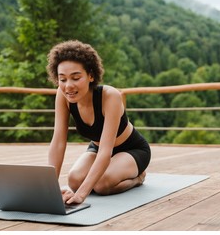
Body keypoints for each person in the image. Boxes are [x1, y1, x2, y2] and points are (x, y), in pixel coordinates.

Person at [46, 40, 151, 205]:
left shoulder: (110, 96)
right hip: (97, 148)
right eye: (63, 79)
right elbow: (58, 142)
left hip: (132, 150)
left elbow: (106, 152)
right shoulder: (63, 96)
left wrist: (81, 194)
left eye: (75, 77)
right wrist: (49, 189)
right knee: (74, 180)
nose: (68, 86)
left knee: (102, 184)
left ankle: (138, 178)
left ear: (91, 75)